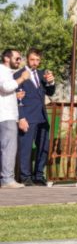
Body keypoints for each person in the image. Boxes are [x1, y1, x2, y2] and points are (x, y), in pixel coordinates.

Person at [15, 49, 55, 186]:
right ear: (27, 59)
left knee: (43, 147)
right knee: (25, 148)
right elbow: (16, 99)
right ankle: (25, 176)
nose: (35, 63)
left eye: (37, 60)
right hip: (27, 116)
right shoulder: (18, 75)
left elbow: (50, 92)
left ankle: (39, 175)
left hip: (42, 117)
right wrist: (21, 117)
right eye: (32, 60)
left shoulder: (42, 74)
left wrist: (51, 82)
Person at [0, 49, 28, 189]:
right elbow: (5, 86)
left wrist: (15, 96)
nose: (19, 61)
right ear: (6, 58)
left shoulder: (7, 73)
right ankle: (7, 179)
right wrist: (22, 78)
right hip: (6, 116)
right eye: (17, 58)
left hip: (6, 114)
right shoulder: (2, 71)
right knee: (9, 148)